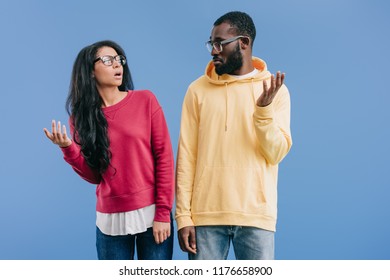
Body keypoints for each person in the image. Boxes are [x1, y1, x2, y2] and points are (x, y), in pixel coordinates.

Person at [175, 11, 292, 260]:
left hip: (255, 215)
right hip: (205, 217)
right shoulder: (197, 90)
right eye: (211, 43)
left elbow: (276, 153)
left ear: (244, 43)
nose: (213, 50)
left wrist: (263, 111)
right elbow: (187, 156)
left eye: (219, 43)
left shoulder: (274, 91)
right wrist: (183, 216)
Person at [43, 40, 174, 260]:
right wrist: (68, 148)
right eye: (107, 60)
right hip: (110, 220)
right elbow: (95, 175)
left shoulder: (145, 100)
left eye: (119, 59)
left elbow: (164, 158)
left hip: (153, 215)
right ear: (90, 71)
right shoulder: (81, 118)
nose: (117, 65)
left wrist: (162, 213)